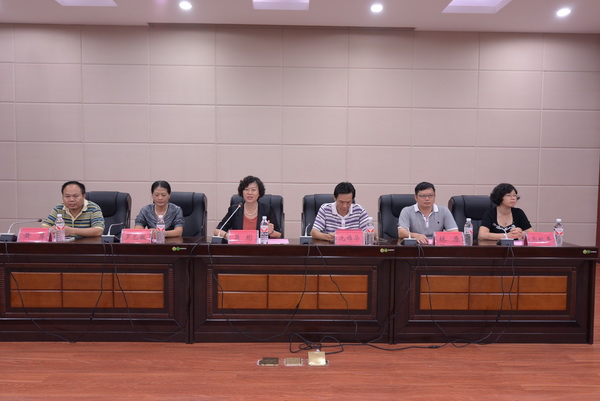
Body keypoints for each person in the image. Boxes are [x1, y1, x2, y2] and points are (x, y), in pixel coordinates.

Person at [214, 175, 281, 240]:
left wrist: (271, 232)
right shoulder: (235, 209)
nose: (249, 193)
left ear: (259, 193)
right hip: (239, 246)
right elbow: (217, 231)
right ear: (242, 192)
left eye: (253, 190)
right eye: (246, 189)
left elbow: (279, 234)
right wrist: (229, 236)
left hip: (260, 247)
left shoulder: (267, 210)